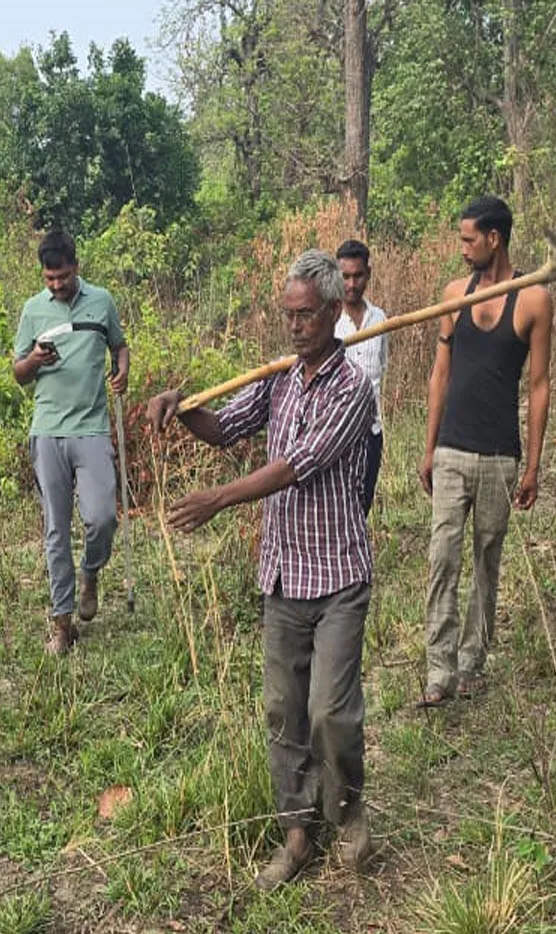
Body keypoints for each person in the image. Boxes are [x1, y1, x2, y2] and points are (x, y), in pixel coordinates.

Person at [144, 251, 376, 889]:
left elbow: (294, 465)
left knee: (331, 712)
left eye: (305, 316)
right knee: (282, 711)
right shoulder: (279, 378)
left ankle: (350, 812)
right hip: (282, 578)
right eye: (288, 315)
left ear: (333, 312)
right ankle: (298, 833)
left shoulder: (353, 388)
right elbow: (225, 429)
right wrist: (181, 404)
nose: (294, 327)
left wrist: (217, 500)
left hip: (337, 578)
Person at [417, 196, 553, 708]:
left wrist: (533, 465)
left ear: (494, 238)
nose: (463, 247)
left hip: (500, 456)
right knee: (441, 560)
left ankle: (473, 664)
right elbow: (441, 374)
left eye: (469, 239)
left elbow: (538, 385)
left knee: (485, 563)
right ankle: (439, 671)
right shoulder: (455, 294)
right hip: (452, 448)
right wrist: (429, 448)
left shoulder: (534, 300)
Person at [10, 229, 130, 654]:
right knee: (55, 530)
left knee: (102, 518)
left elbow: (119, 346)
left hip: (92, 426)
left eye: (62, 276)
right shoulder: (33, 310)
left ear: (76, 267)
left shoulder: (102, 301)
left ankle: (91, 571)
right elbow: (18, 372)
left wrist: (122, 370)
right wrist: (34, 360)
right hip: (47, 430)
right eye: (49, 278)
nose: (56, 285)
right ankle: (62, 623)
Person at [335, 239, 390, 513]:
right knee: (336, 509)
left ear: (368, 274)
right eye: (345, 276)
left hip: (371, 432)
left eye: (358, 276)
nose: (352, 284)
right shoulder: (327, 322)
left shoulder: (380, 319)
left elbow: (381, 367)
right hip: (336, 434)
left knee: (361, 508)